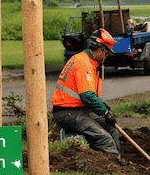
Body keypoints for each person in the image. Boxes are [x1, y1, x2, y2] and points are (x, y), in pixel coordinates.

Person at [51, 29, 122, 159]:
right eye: (106, 53)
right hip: (68, 113)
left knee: (112, 131)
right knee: (105, 139)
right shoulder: (83, 64)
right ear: (100, 50)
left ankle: (117, 160)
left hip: (78, 111)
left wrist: (103, 108)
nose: (106, 57)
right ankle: (111, 168)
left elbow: (90, 96)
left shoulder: (88, 63)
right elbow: (87, 96)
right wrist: (105, 113)